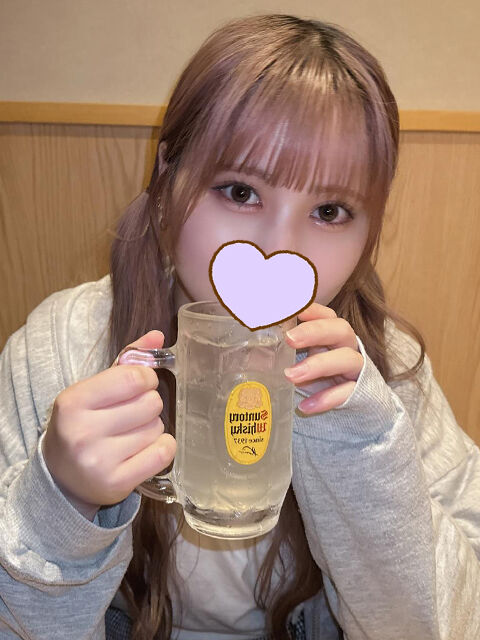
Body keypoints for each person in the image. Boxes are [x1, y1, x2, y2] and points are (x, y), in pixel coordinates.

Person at [0, 12, 479, 640]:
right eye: (240, 192)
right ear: (168, 178)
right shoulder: (62, 345)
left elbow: (452, 619)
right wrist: (60, 502)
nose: (279, 250)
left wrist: (363, 450)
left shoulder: (384, 367)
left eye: (329, 210)